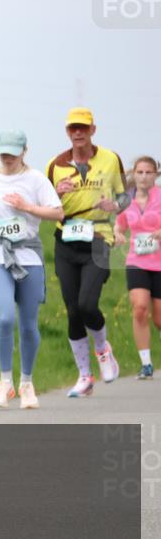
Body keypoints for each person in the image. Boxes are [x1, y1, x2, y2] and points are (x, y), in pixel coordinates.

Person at [0, 131, 63, 408]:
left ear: (24, 151)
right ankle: (5, 382)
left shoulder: (36, 179)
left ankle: (26, 382)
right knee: (4, 318)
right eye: (3, 152)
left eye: (13, 152)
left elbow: (57, 212)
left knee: (27, 324)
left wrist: (27, 206)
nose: (8, 157)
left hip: (28, 256)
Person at [45, 107, 129, 397]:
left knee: (87, 305)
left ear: (93, 130)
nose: (78, 133)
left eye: (83, 128)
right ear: (67, 132)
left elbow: (126, 194)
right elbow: (42, 203)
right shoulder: (55, 165)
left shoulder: (110, 158)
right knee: (72, 311)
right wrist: (58, 193)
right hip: (66, 241)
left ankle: (103, 351)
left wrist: (116, 207)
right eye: (72, 129)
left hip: (99, 238)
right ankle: (84, 376)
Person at [114, 156, 161, 380]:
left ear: (156, 174)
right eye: (140, 172)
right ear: (134, 174)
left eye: (148, 172)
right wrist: (117, 233)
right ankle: (146, 364)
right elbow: (119, 224)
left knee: (159, 319)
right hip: (136, 261)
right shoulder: (126, 199)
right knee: (140, 307)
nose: (143, 176)